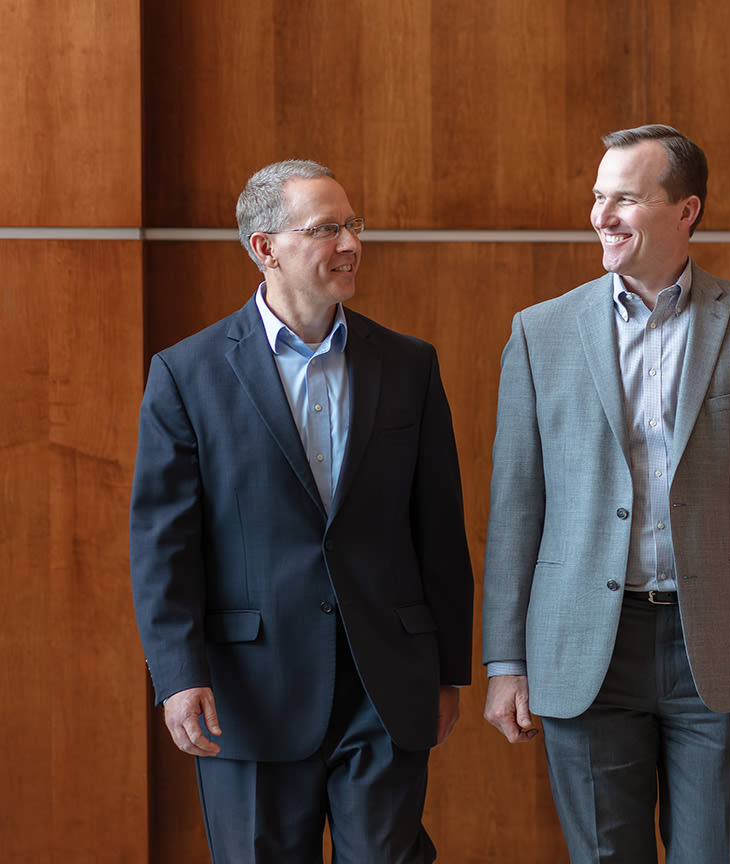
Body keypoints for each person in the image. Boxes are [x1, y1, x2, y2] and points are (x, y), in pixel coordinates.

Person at [480, 123, 730, 863]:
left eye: (626, 199)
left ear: (686, 210)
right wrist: (504, 661)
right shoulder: (539, 333)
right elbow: (515, 509)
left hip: (722, 647)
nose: (603, 214)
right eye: (598, 197)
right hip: (585, 650)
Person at [129, 159, 474, 861]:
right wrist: (178, 674)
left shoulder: (409, 365)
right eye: (325, 229)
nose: (349, 243)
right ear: (265, 248)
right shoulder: (185, 374)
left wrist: (449, 671)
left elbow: (438, 528)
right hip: (249, 691)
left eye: (353, 224)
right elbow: (163, 543)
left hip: (385, 685)